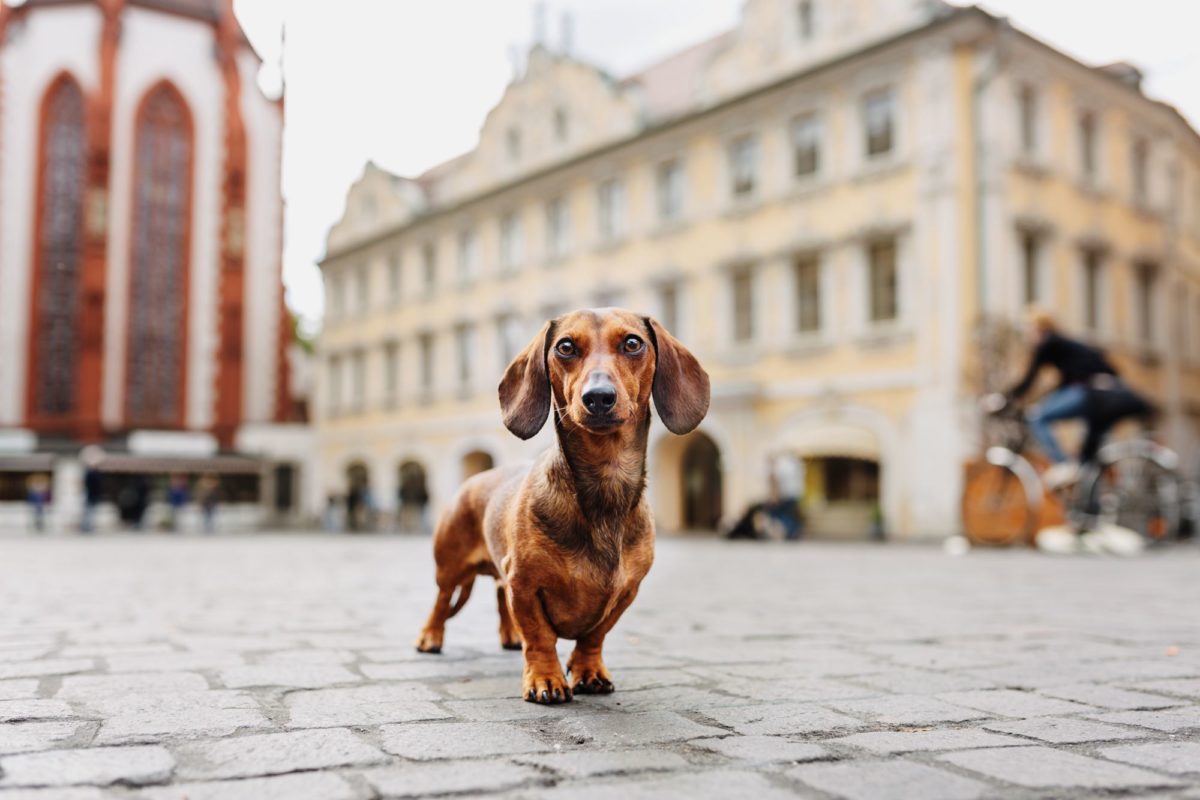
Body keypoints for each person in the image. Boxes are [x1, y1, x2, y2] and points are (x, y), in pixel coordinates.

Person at [1005, 308, 1151, 487]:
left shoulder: (1048, 342)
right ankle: (1092, 507)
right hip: (1108, 399)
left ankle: (1062, 464)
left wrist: (1005, 397)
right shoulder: (1070, 346)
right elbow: (1101, 371)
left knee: (1037, 416)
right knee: (1088, 462)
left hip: (1090, 395)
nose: (1028, 336)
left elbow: (1029, 380)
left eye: (1028, 329)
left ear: (1037, 328)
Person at [80, 446, 104, 534]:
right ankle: (87, 527)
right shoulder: (91, 473)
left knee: (89, 512)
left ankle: (87, 526)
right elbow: (92, 486)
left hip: (92, 495)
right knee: (89, 512)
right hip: (91, 496)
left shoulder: (91, 473)